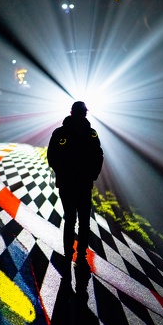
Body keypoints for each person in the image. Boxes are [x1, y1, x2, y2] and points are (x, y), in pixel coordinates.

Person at [47, 101, 104, 265]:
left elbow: (52, 156)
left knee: (74, 219)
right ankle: (76, 253)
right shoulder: (88, 133)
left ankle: (73, 253)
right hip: (77, 182)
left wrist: (91, 174)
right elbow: (98, 156)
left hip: (73, 182)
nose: (83, 115)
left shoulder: (63, 133)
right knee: (79, 219)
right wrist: (92, 174)